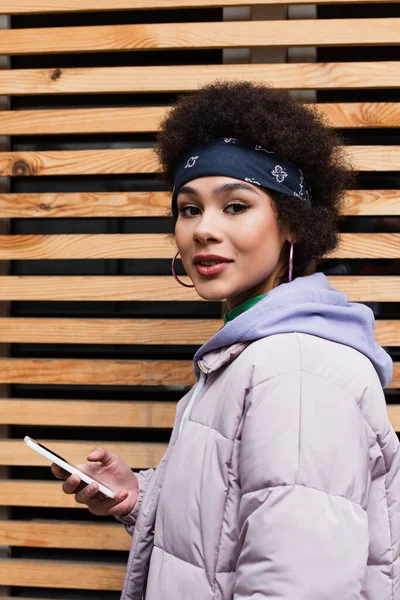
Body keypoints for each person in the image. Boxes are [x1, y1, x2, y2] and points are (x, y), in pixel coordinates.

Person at [52, 81, 399, 600]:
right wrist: (139, 498)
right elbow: (230, 532)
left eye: (235, 206)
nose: (203, 230)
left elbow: (300, 587)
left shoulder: (297, 370)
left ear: (292, 224)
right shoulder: (251, 354)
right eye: (189, 209)